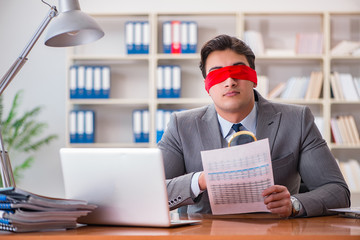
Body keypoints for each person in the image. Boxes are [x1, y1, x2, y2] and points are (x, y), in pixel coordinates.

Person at [158, 34, 350, 218]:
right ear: (207, 85)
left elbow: (337, 191)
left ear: (253, 78)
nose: (230, 82)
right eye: (217, 74)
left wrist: (293, 204)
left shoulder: (297, 120)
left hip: (276, 231)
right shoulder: (181, 126)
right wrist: (200, 180)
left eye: (238, 71)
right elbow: (153, 191)